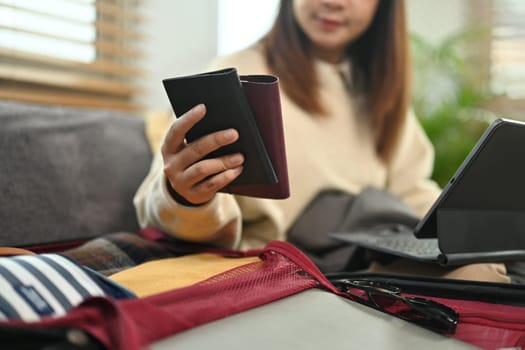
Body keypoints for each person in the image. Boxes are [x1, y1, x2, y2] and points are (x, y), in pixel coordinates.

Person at [134, 0, 509, 282]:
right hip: (305, 265)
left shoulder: (377, 91)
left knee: (498, 262)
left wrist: (476, 227)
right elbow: (159, 201)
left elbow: (412, 194)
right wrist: (186, 195)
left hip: (382, 244)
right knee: (479, 276)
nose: (335, 1)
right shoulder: (235, 77)